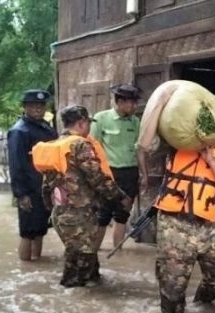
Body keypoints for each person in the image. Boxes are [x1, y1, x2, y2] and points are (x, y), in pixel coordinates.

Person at [153, 103, 215, 313]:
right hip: (174, 224)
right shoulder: (179, 144)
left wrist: (211, 161)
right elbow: (149, 138)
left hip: (207, 227)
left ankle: (201, 306)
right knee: (172, 290)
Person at [39, 105, 129, 287]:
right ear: (81, 124)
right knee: (78, 270)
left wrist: (53, 209)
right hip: (79, 214)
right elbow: (97, 177)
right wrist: (120, 197)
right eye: (88, 123)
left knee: (86, 263)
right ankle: (75, 308)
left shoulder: (54, 145)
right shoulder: (80, 144)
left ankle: (85, 303)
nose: (89, 128)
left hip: (61, 213)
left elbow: (46, 187)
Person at [7, 89, 58, 261]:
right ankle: (27, 269)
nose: (38, 108)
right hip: (29, 189)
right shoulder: (19, 132)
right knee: (27, 232)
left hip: (46, 188)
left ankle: (38, 263)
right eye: (33, 105)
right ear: (25, 107)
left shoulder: (47, 129)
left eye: (41, 105)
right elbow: (15, 165)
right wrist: (21, 194)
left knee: (41, 229)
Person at [91, 84, 142, 250]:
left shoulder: (135, 122)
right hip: (108, 174)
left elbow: (140, 149)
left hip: (130, 174)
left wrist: (144, 174)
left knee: (122, 216)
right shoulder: (101, 118)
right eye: (131, 103)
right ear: (119, 101)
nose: (135, 106)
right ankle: (93, 254)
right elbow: (92, 148)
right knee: (102, 216)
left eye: (135, 102)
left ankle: (117, 255)